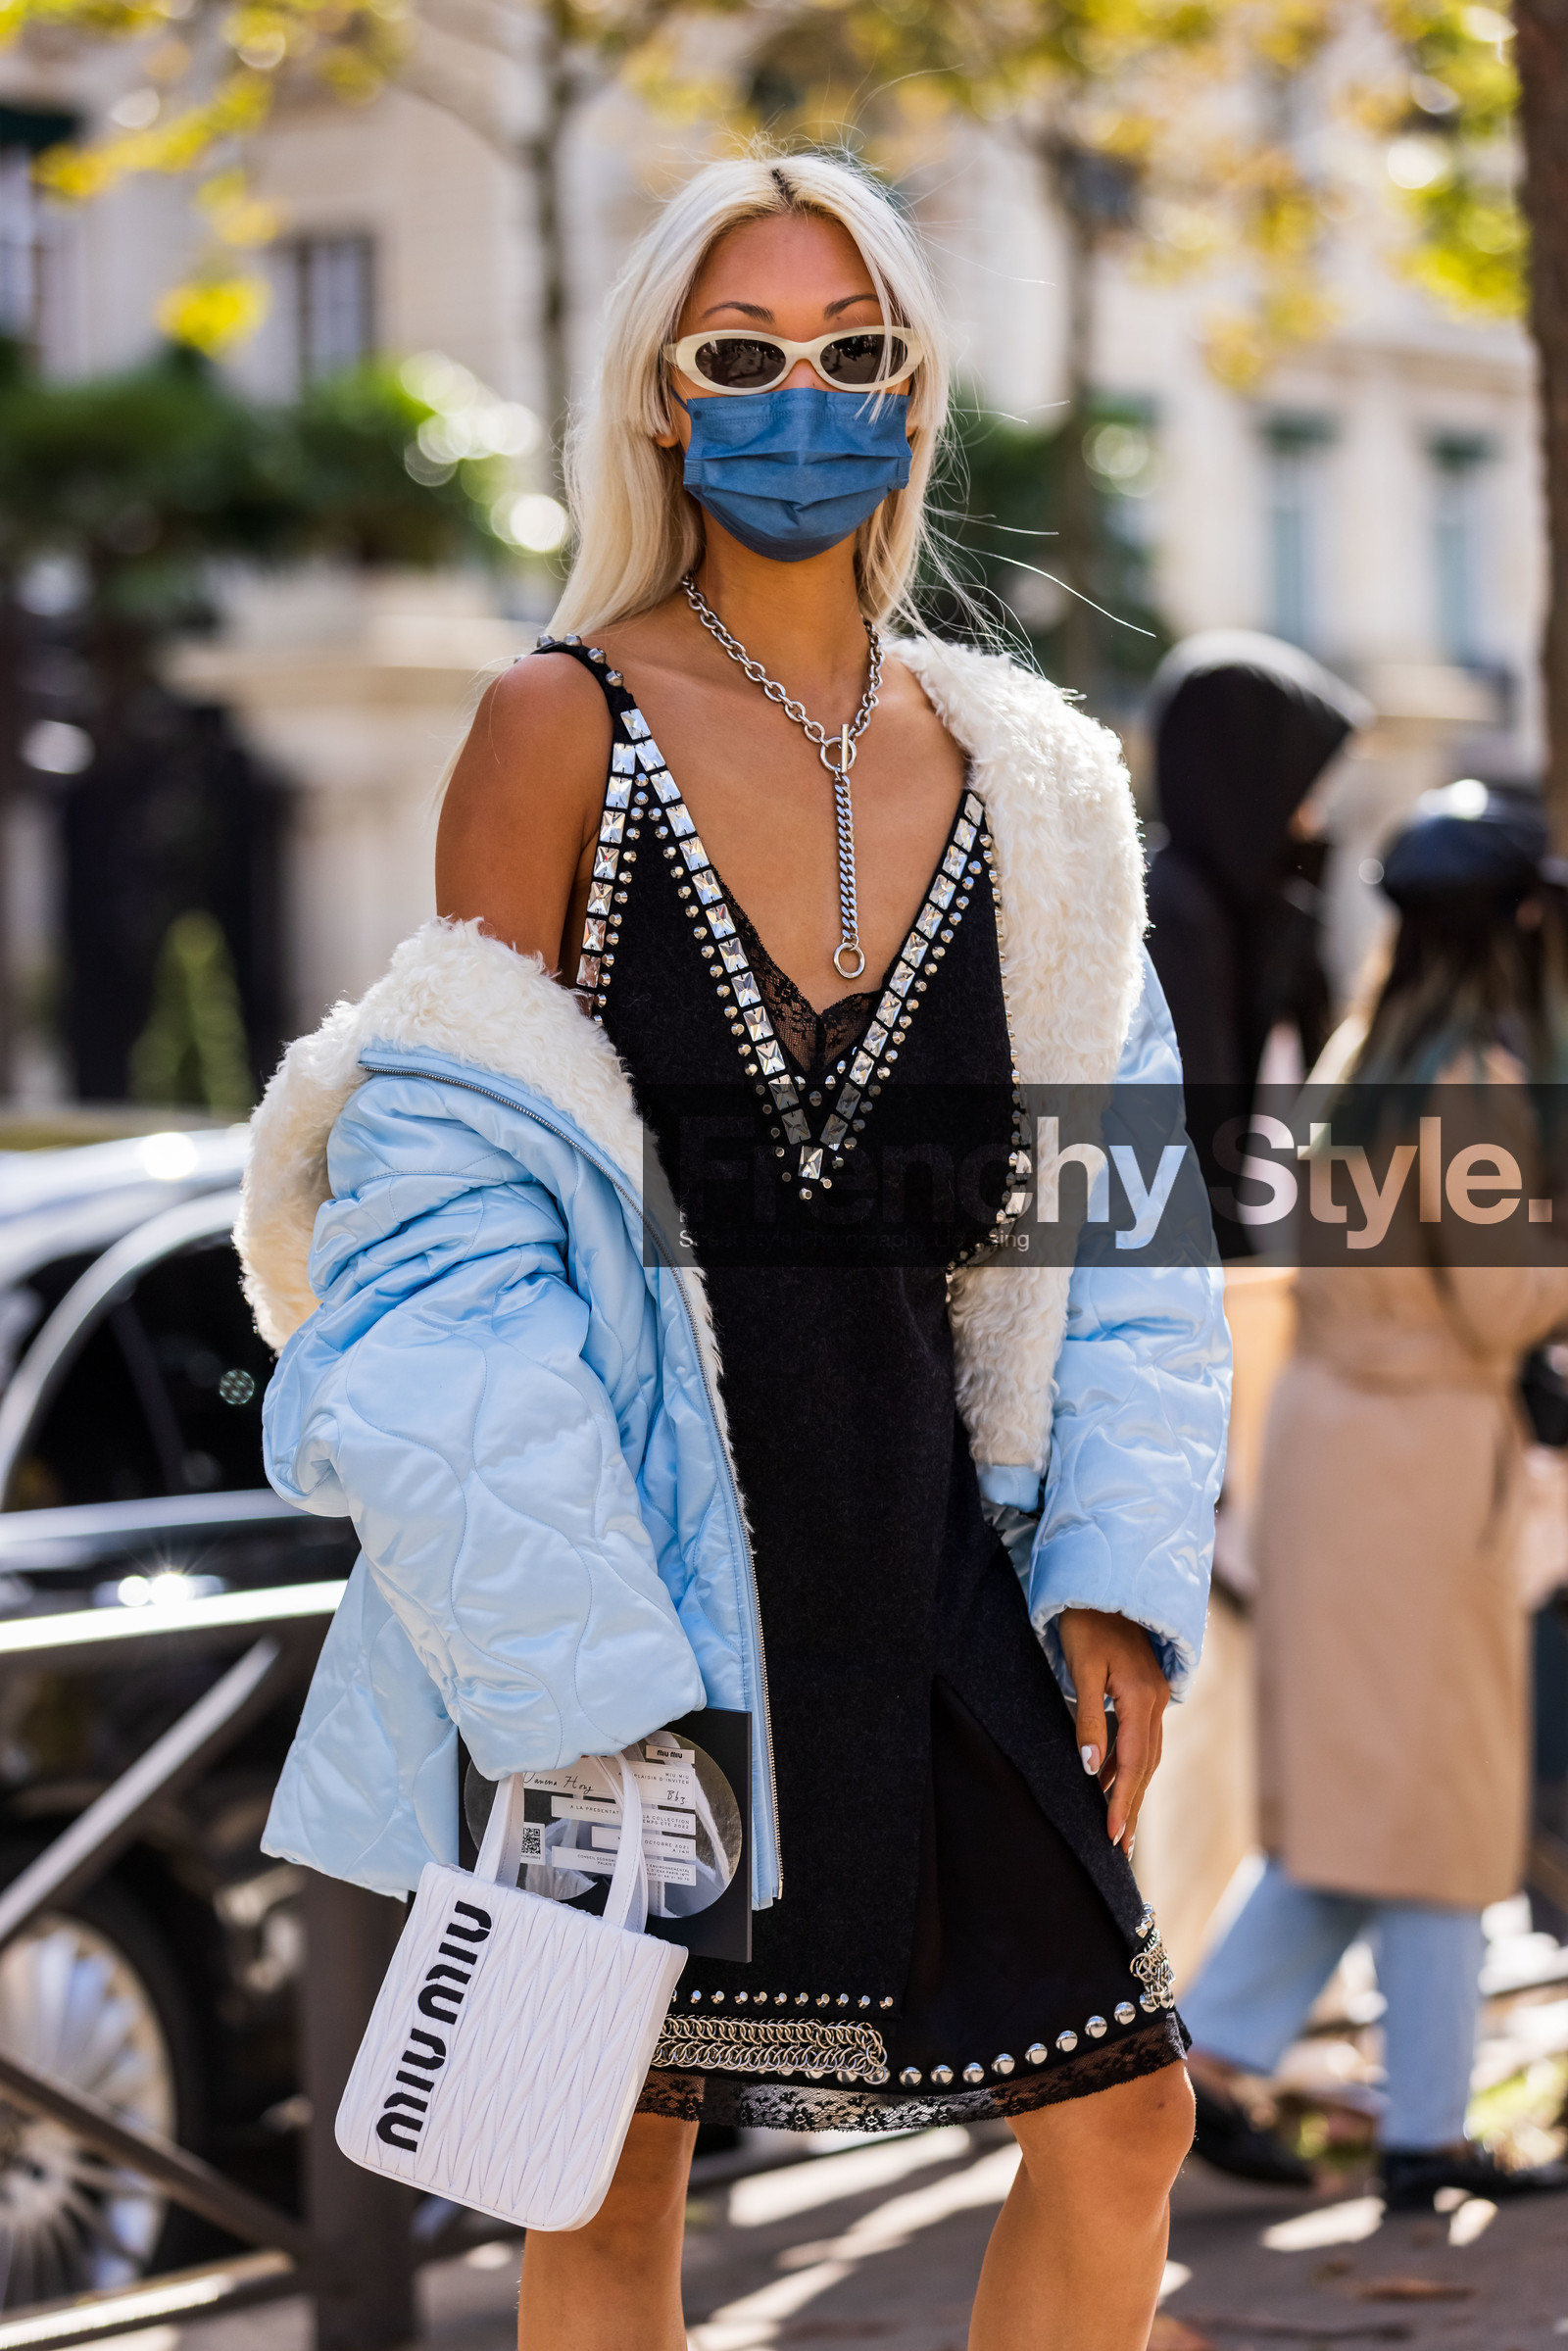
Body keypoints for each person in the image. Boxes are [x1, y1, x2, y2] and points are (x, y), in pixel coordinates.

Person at [238, 152, 1230, 2350]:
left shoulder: (1036, 784)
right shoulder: (551, 727)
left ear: (912, 388)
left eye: (851, 351)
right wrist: (578, 1683)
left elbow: (1124, 1226)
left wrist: (1114, 1575)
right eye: (745, 354)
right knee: (599, 2168)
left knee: (1123, 2114)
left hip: (934, 1540)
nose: (804, 395)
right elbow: (447, 1240)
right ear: (661, 399)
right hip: (640, 1579)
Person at [1183, 781, 1568, 2208]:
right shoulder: (1474, 1075)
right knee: (1434, 1799)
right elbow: (1502, 1295)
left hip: (1338, 1449)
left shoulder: (1365, 1052)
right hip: (1418, 1463)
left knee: (1379, 1800)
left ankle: (1237, 2061)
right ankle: (1390, 2114)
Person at [1146, 633, 1371, 1249]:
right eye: (1303, 788)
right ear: (1249, 774)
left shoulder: (1228, 904)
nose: (1313, 817)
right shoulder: (1172, 914)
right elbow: (1189, 1136)